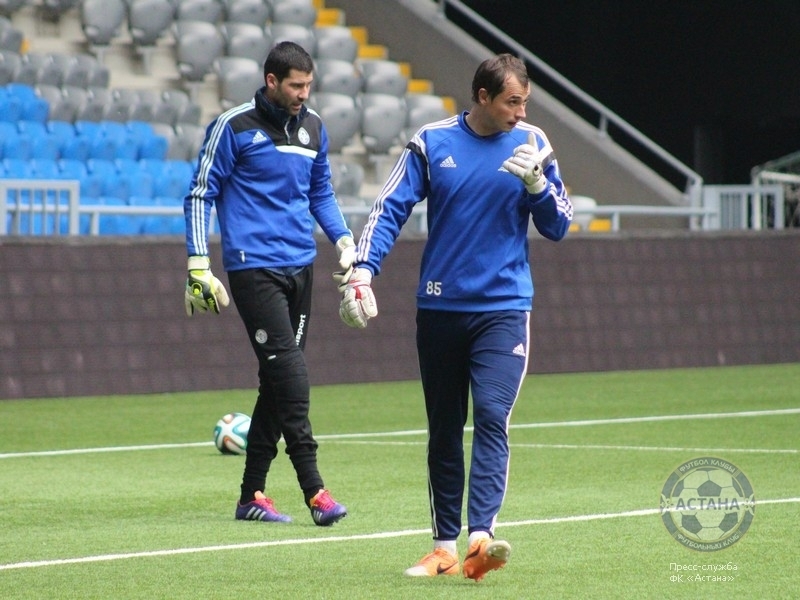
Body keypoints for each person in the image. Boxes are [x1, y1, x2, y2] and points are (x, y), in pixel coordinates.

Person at [337, 53, 573, 580]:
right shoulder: (432, 142)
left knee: (490, 415)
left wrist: (538, 187)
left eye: (525, 102)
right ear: (482, 97)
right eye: (512, 102)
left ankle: (481, 539)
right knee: (444, 428)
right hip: (440, 308)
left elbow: (559, 226)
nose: (521, 112)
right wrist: (363, 271)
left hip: (503, 309)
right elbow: (389, 208)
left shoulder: (533, 143)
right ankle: (444, 547)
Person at [183, 41, 353, 527]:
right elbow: (201, 194)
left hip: (302, 267)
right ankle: (315, 491)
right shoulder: (233, 126)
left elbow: (320, 192)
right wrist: (199, 263)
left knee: (276, 382)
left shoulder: (313, 127)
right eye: (296, 86)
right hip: (253, 267)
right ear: (271, 81)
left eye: (309, 86)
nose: (304, 95)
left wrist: (343, 240)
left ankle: (250, 496)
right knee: (292, 377)